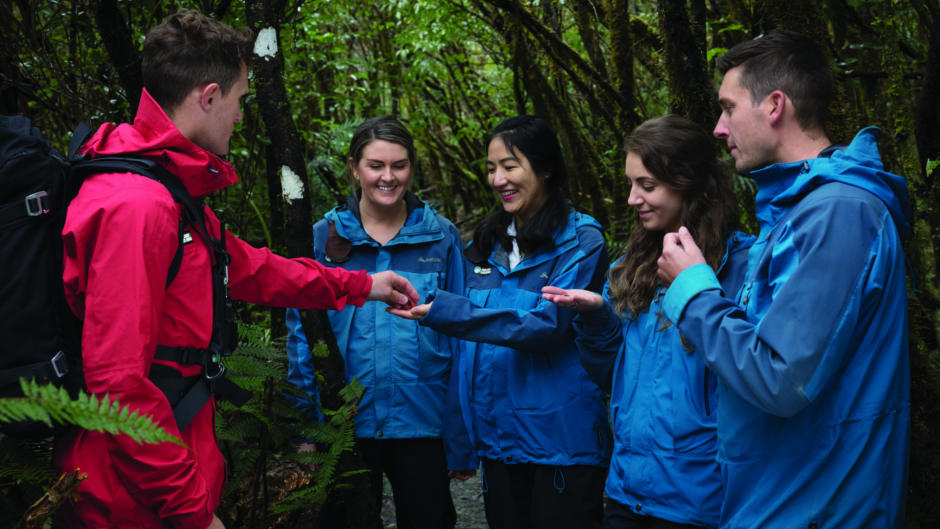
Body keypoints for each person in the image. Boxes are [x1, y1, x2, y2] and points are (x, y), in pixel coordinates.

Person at [54, 11, 418, 529]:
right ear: (207, 97)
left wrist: (363, 285)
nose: (241, 117)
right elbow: (118, 385)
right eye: (240, 100)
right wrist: (193, 513)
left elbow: (254, 270)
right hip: (128, 499)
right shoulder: (138, 206)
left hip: (155, 481)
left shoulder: (169, 191)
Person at [656, 31, 911, 528]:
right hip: (781, 497)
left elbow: (781, 379)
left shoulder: (839, 214)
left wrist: (693, 293)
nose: (717, 128)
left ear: (775, 106)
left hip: (816, 505)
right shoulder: (800, 213)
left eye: (728, 108)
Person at [391, 115, 612, 529]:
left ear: (545, 168)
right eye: (492, 168)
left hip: (561, 445)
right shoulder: (483, 245)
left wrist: (447, 312)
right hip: (498, 445)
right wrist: (461, 442)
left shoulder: (582, 241)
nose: (498, 179)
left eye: (510, 165)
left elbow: (546, 326)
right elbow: (465, 353)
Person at [542, 114, 754, 529]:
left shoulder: (743, 268)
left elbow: (754, 378)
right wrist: (597, 317)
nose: (631, 199)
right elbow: (610, 376)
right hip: (627, 491)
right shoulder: (631, 267)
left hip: (702, 500)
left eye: (647, 186)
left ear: (688, 182)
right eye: (630, 184)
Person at [285, 116, 465, 529]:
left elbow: (462, 338)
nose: (388, 177)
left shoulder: (441, 237)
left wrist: (459, 435)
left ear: (412, 167)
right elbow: (301, 335)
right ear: (354, 167)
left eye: (399, 165)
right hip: (345, 423)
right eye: (375, 165)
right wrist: (305, 428)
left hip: (423, 424)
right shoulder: (321, 239)